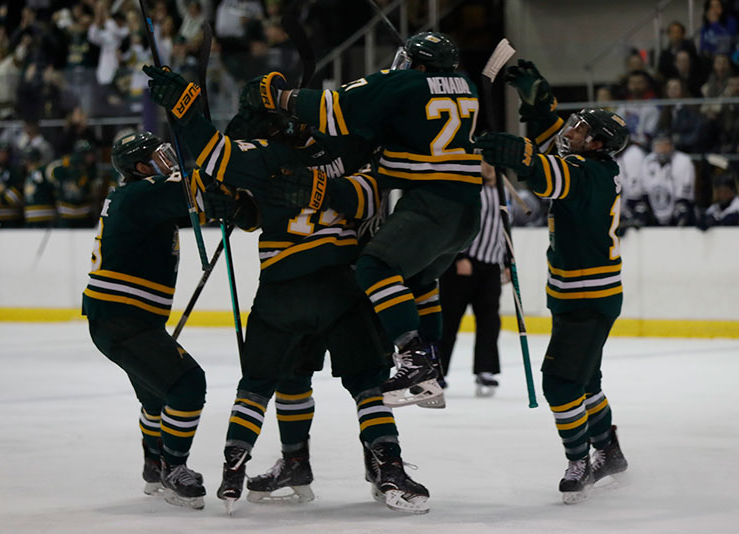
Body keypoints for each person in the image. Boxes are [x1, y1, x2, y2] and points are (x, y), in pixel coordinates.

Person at [140, 70, 431, 513]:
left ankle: (235, 469)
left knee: (261, 383)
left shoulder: (260, 158)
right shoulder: (345, 144)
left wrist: (185, 110)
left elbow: (212, 153)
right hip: (342, 284)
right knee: (367, 385)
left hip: (282, 290)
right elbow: (370, 189)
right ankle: (385, 467)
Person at [241, 31, 483, 407]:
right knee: (416, 277)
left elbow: (337, 107)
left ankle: (415, 360)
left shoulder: (405, 82)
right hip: (468, 213)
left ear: (418, 64)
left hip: (431, 205)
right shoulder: (466, 86)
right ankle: (431, 363)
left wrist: (279, 99)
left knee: (374, 267)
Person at [474, 60, 630, 504]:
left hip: (587, 299)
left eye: (580, 129)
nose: (571, 132)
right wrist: (539, 104)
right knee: (586, 382)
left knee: (560, 385)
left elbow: (545, 173)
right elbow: (549, 144)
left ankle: (579, 460)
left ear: (597, 144)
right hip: (583, 297)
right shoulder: (590, 163)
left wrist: (515, 153)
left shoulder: (586, 174)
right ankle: (610, 453)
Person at [83, 131, 237, 509]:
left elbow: (198, 202)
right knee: (187, 383)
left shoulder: (142, 196)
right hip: (123, 318)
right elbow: (203, 188)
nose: (167, 160)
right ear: (139, 167)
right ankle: (174, 467)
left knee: (156, 396)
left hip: (123, 318)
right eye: (158, 156)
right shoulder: (145, 192)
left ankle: (154, 463)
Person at [438, 160, 505, 398]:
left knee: (489, 321)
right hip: (462, 265)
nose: (486, 166)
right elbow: (454, 224)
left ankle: (486, 370)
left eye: (490, 162)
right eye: (482, 162)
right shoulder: (469, 191)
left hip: (491, 266)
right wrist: (459, 256)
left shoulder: (503, 194)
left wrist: (508, 262)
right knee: (449, 320)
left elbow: (505, 229)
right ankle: (438, 372)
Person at [627, 132, 696, 227]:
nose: (662, 149)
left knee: (683, 212)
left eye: (665, 145)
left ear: (672, 146)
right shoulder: (648, 161)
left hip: (677, 208)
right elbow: (645, 192)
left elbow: (683, 198)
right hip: (655, 211)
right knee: (640, 211)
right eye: (658, 145)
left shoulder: (683, 161)